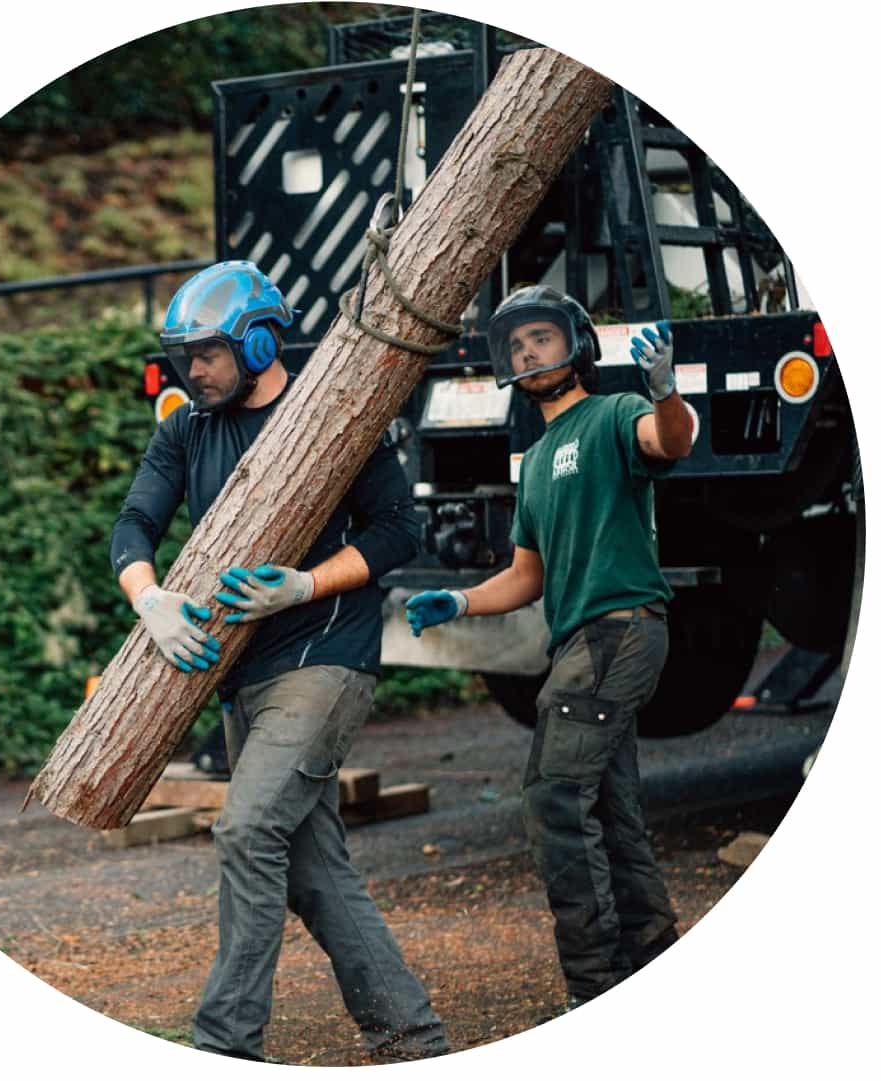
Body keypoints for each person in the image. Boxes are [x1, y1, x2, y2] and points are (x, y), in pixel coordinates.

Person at [110, 260, 449, 1062]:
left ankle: (224, 1045)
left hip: (324, 659)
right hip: (241, 675)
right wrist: (149, 600)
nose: (193, 371)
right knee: (311, 870)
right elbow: (132, 523)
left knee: (246, 828)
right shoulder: (184, 427)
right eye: (184, 356)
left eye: (208, 355)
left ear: (260, 341)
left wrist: (303, 583)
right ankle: (410, 1033)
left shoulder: (332, 418)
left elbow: (400, 530)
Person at [405, 285, 694, 1012]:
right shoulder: (533, 462)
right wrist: (461, 600)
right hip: (580, 637)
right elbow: (525, 575)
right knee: (608, 805)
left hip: (617, 629)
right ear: (505, 364)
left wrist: (663, 391)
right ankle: (651, 960)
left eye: (541, 337)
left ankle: (593, 985)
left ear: (576, 345)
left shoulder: (613, 414)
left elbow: (671, 441)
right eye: (516, 345)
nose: (529, 352)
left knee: (552, 799)